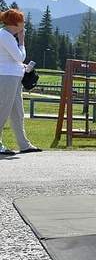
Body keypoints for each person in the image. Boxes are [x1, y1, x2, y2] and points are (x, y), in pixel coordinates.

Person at [0, 9, 41, 156]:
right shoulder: (6, 36)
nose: (24, 23)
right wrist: (22, 41)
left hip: (14, 76)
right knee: (3, 111)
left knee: (17, 112)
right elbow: (19, 57)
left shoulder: (8, 36)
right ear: (16, 23)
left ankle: (23, 144)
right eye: (22, 21)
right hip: (7, 76)